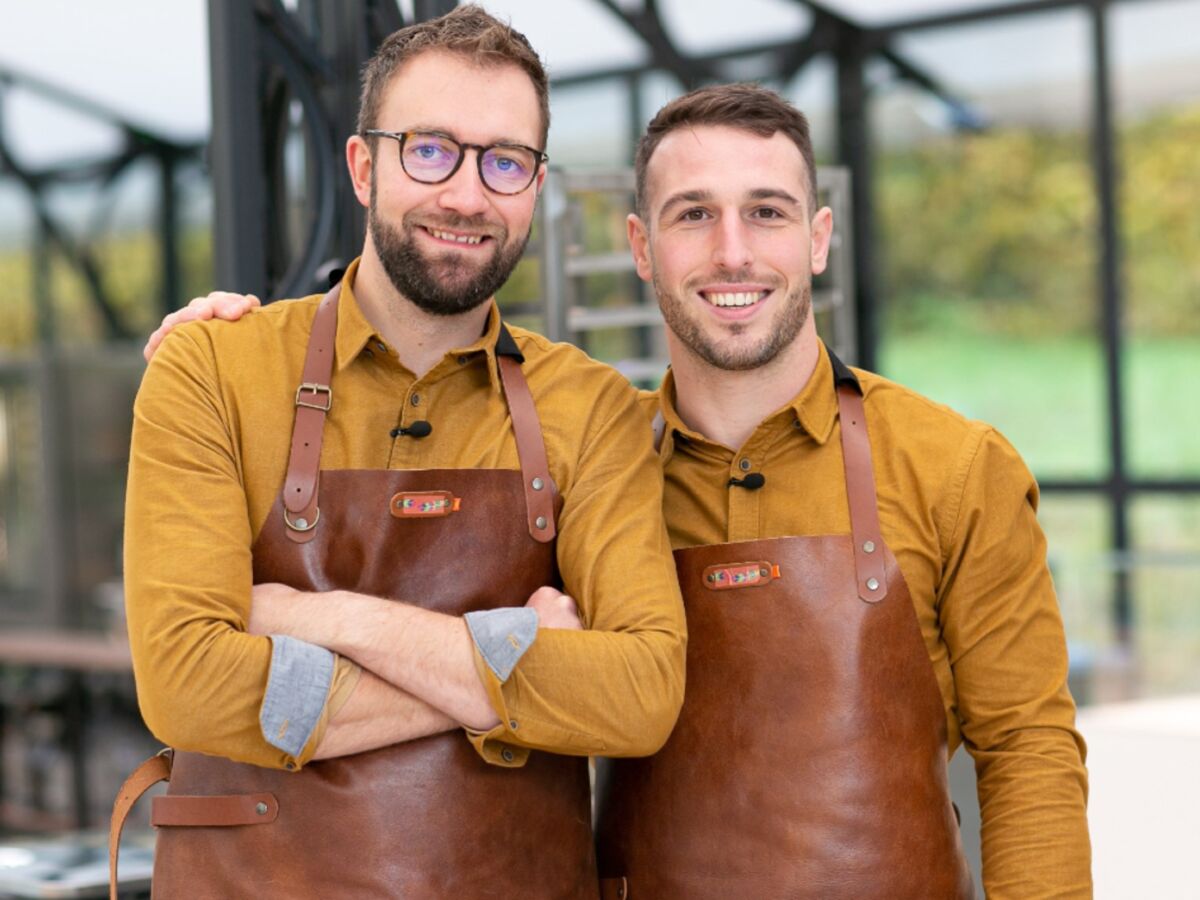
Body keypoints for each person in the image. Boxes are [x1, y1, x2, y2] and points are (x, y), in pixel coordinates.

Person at [147, 84, 1092, 898]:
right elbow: (401, 387)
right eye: (692, 215)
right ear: (641, 246)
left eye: (766, 212)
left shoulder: (954, 466)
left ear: (818, 238)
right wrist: (229, 348)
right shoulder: (596, 455)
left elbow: (1030, 756)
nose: (732, 252)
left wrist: (319, 617)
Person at [115, 8, 685, 900]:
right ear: (363, 166)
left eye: (505, 160)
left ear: (536, 186)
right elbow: (188, 683)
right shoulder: (213, 367)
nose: (466, 194)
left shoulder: (591, 405)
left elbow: (640, 694)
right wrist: (519, 664)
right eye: (430, 150)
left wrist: (326, 618)